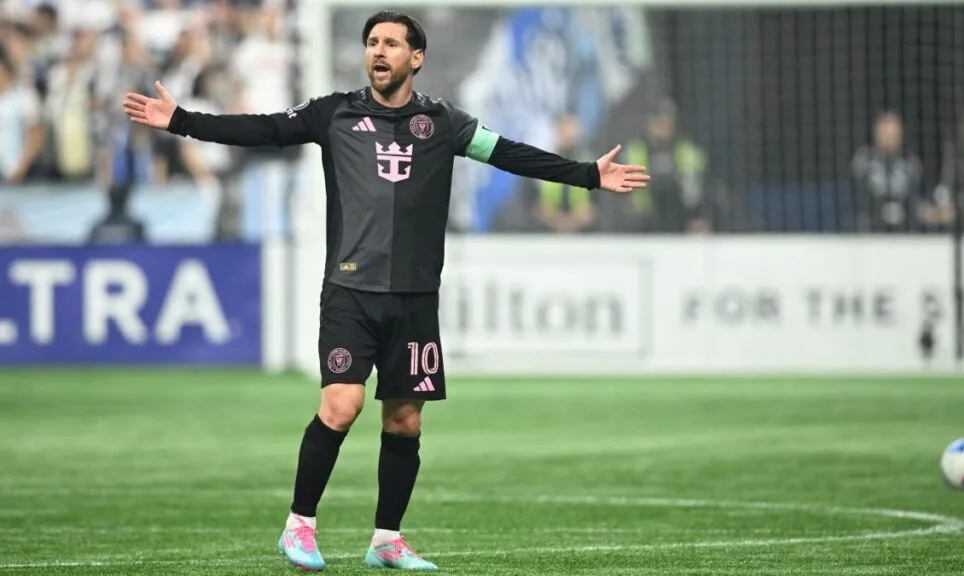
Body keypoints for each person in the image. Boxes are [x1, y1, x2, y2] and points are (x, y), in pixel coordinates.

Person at [122, 10, 648, 572]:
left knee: (405, 422)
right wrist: (182, 120)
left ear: (415, 58)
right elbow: (265, 129)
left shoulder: (444, 123)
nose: (378, 50)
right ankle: (299, 524)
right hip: (350, 290)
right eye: (372, 41)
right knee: (341, 404)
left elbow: (510, 153)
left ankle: (386, 541)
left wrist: (587, 175)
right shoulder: (334, 113)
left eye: (392, 43)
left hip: (415, 298)